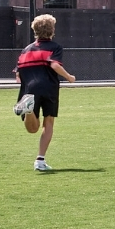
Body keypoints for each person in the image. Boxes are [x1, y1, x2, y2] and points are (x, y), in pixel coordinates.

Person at [14, 14, 76, 172]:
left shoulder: (25, 50)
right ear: (52, 30)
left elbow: (18, 75)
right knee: (48, 122)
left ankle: (28, 110)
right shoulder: (55, 47)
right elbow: (54, 65)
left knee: (32, 129)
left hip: (28, 90)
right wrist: (69, 77)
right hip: (49, 87)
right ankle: (40, 160)